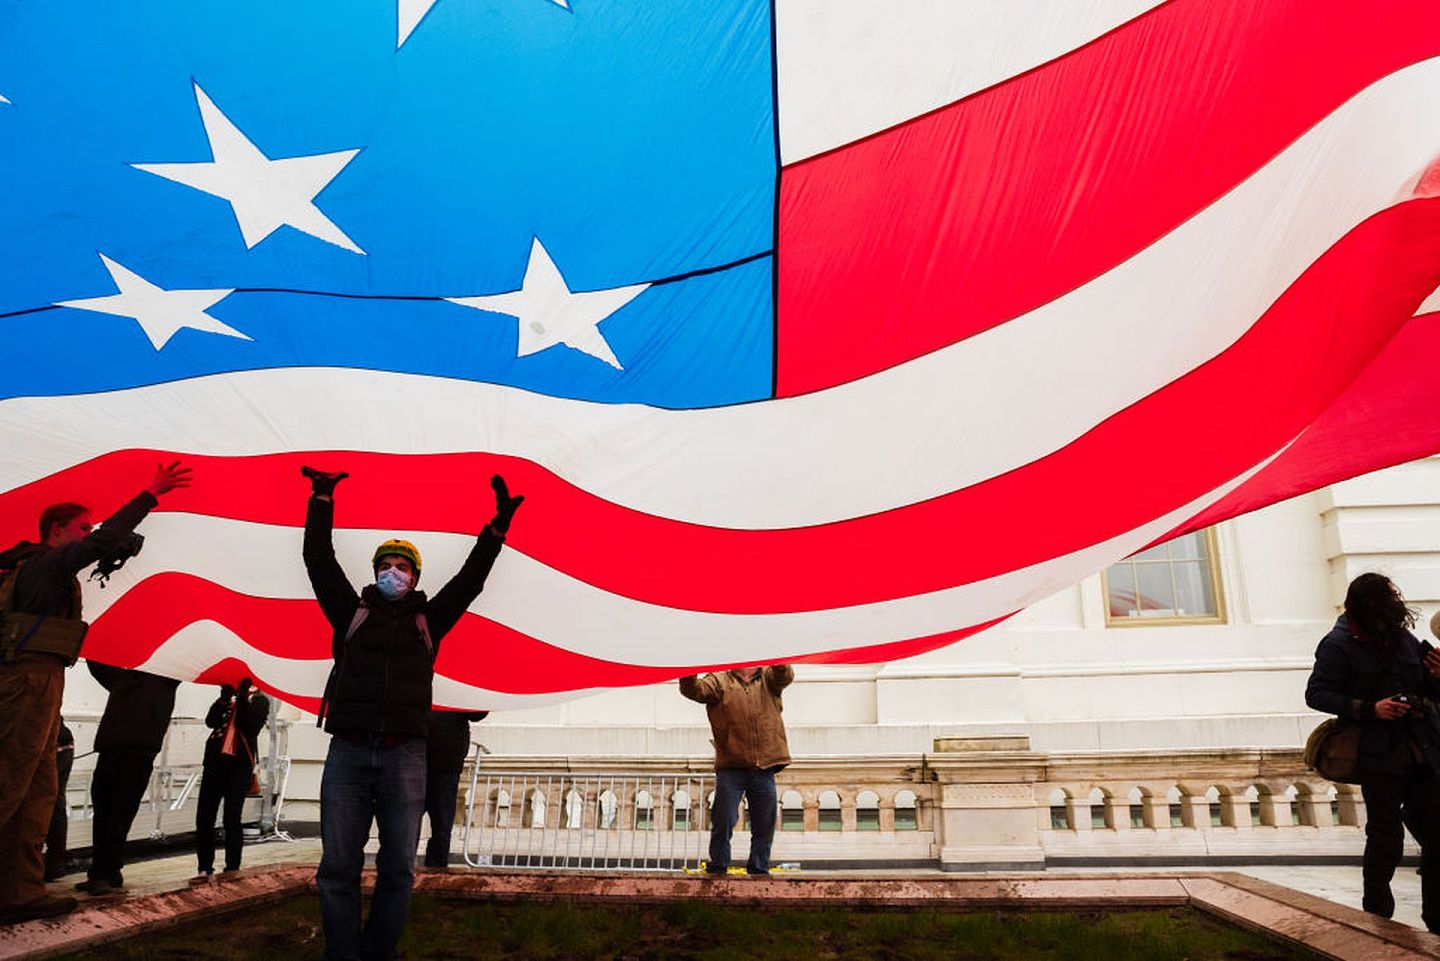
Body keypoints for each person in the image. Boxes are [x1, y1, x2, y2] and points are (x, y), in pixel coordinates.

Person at [301, 466, 522, 961]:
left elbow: (470, 582)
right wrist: (321, 498)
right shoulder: (349, 612)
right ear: (375, 572)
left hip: (406, 756)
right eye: (387, 564)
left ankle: (378, 952)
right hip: (349, 754)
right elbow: (318, 560)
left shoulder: (430, 620)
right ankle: (343, 954)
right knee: (337, 865)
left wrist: (496, 530)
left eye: (402, 566)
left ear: (415, 577)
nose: (393, 572)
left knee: (399, 866)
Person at [0, 461, 190, 924]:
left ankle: (21, 890)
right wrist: (150, 493)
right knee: (10, 782)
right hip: (28, 680)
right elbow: (101, 543)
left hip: (43, 680)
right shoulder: (45, 563)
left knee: (38, 791)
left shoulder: (42, 570)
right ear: (58, 531)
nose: (91, 534)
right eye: (82, 528)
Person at [1306, 573, 1440, 932]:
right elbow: (1317, 694)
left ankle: (1436, 919)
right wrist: (1371, 708)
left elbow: (1428, 687)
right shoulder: (1338, 644)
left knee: (1437, 831)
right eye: (1391, 596)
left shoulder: (1404, 639)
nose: (1399, 602)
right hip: (1378, 754)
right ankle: (1377, 915)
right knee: (1385, 835)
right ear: (1370, 602)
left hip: (1422, 749)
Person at [679, 664, 793, 877]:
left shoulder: (768, 677)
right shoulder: (719, 680)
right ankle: (719, 865)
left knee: (765, 822)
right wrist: (688, 666)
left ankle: (759, 867)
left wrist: (778, 653)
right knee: (723, 818)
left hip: (764, 766)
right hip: (731, 766)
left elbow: (784, 674)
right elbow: (694, 690)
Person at [81, 663, 182, 895]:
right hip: (123, 748)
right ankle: (105, 871)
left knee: (116, 814)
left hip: (131, 750)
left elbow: (99, 667)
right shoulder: (130, 678)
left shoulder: (163, 676)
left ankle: (105, 871)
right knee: (108, 812)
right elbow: (98, 665)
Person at [195, 678, 271, 878]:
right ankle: (204, 866)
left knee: (232, 816)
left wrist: (244, 696)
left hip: (239, 765)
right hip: (215, 762)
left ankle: (232, 866)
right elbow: (211, 721)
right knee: (204, 816)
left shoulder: (261, 701)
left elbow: (246, 723)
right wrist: (224, 698)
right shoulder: (230, 700)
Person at [422, 708, 487, 869]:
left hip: (443, 761)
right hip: (426, 758)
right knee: (435, 824)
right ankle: (426, 868)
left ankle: (435, 869)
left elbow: (477, 713)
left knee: (441, 826)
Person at [45, 719, 75, 881]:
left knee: (47, 801)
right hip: (58, 739)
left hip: (50, 739)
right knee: (54, 801)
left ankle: (53, 862)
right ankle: (55, 861)